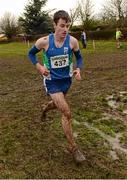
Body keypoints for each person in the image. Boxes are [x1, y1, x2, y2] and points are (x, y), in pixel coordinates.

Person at [28, 10, 86, 163]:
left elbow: (79, 57)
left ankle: (45, 109)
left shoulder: (73, 41)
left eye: (68, 26)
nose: (65, 29)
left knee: (57, 105)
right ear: (54, 25)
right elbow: (30, 54)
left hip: (66, 81)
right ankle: (73, 148)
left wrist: (78, 69)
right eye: (62, 26)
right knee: (66, 112)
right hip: (52, 81)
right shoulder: (44, 41)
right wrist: (39, 67)